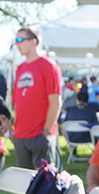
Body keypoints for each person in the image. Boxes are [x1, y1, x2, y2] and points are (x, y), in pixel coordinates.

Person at [11, 26, 61, 169]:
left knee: (44, 184)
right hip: (21, 135)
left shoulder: (48, 65)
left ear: (33, 42)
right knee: (25, 183)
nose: (16, 43)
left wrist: (46, 132)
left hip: (41, 134)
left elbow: (56, 102)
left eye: (19, 39)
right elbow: (17, 102)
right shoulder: (20, 68)